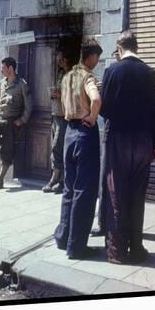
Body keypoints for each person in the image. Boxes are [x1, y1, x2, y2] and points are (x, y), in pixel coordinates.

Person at [100, 30, 155, 264]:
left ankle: (117, 251)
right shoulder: (149, 72)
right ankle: (136, 248)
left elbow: (104, 109)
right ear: (136, 47)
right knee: (138, 195)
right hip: (144, 141)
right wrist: (154, 144)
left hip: (119, 140)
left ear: (119, 48)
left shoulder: (111, 71)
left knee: (117, 194)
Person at [54, 38, 103, 260]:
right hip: (85, 133)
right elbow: (96, 99)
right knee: (85, 191)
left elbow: (63, 106)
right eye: (97, 58)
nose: (97, 62)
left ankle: (63, 238)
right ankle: (77, 247)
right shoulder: (87, 76)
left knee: (69, 188)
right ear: (90, 56)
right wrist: (92, 117)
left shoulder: (66, 78)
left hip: (68, 133)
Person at [0, 57, 32, 191]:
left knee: (6, 153)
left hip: (11, 122)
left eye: (3, 68)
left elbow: (29, 105)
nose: (1, 70)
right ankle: (6, 142)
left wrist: (22, 120)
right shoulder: (2, 83)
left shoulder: (21, 84)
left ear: (11, 68)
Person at [91, 49, 121, 237]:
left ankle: (104, 224)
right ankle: (111, 223)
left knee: (106, 178)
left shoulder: (113, 71)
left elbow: (104, 106)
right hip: (128, 135)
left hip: (112, 132)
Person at [42, 49, 72, 194]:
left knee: (57, 147)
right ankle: (59, 180)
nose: (58, 61)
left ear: (66, 59)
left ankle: (56, 179)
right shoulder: (60, 73)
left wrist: (61, 94)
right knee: (56, 148)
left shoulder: (71, 75)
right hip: (56, 113)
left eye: (60, 58)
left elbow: (74, 96)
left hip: (64, 116)